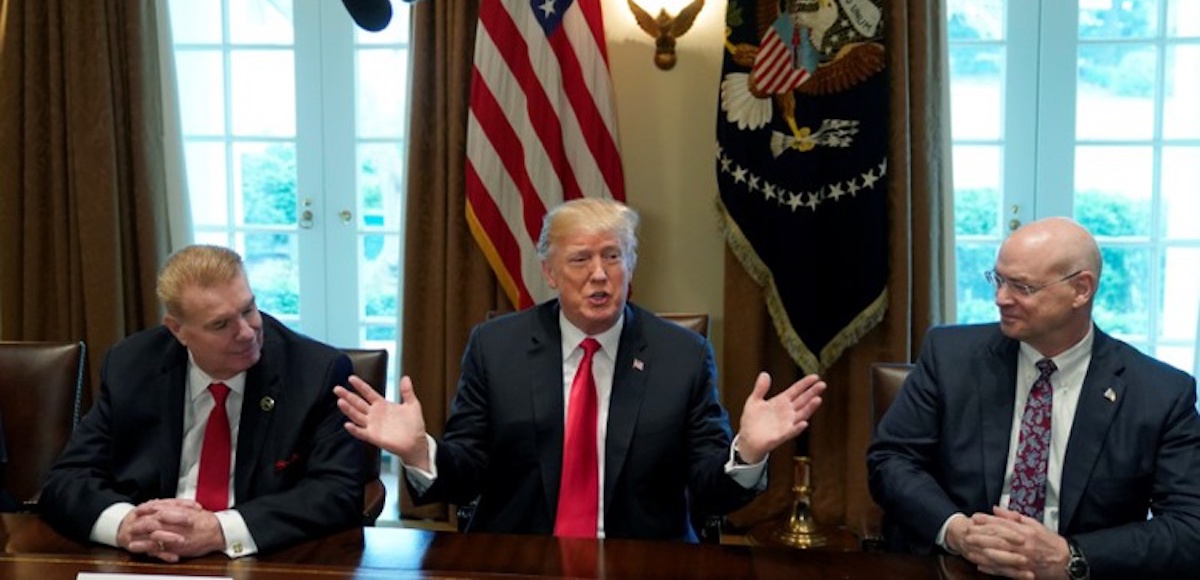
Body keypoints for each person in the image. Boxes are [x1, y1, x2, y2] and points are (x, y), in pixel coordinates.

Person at [335, 198, 826, 541]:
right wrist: (420, 452)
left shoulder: (683, 355)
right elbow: (468, 474)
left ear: (631, 266)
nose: (599, 274)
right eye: (581, 259)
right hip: (520, 558)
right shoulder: (495, 347)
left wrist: (748, 453)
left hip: (642, 560)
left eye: (613, 256)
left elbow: (707, 487)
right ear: (549, 272)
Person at [867, 217, 1200, 579]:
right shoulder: (950, 355)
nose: (1000, 298)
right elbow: (891, 460)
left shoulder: (1159, 392)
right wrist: (957, 531)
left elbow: (1189, 526)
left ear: (1081, 290)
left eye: (1022, 287)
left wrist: (1069, 556)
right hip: (957, 565)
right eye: (998, 279)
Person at [41, 245, 365, 562]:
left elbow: (336, 492)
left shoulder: (315, 372)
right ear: (178, 330)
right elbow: (67, 479)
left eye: (248, 310)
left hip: (260, 557)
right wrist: (126, 525)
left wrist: (219, 530)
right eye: (220, 325)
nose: (246, 333)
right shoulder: (132, 365)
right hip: (150, 557)